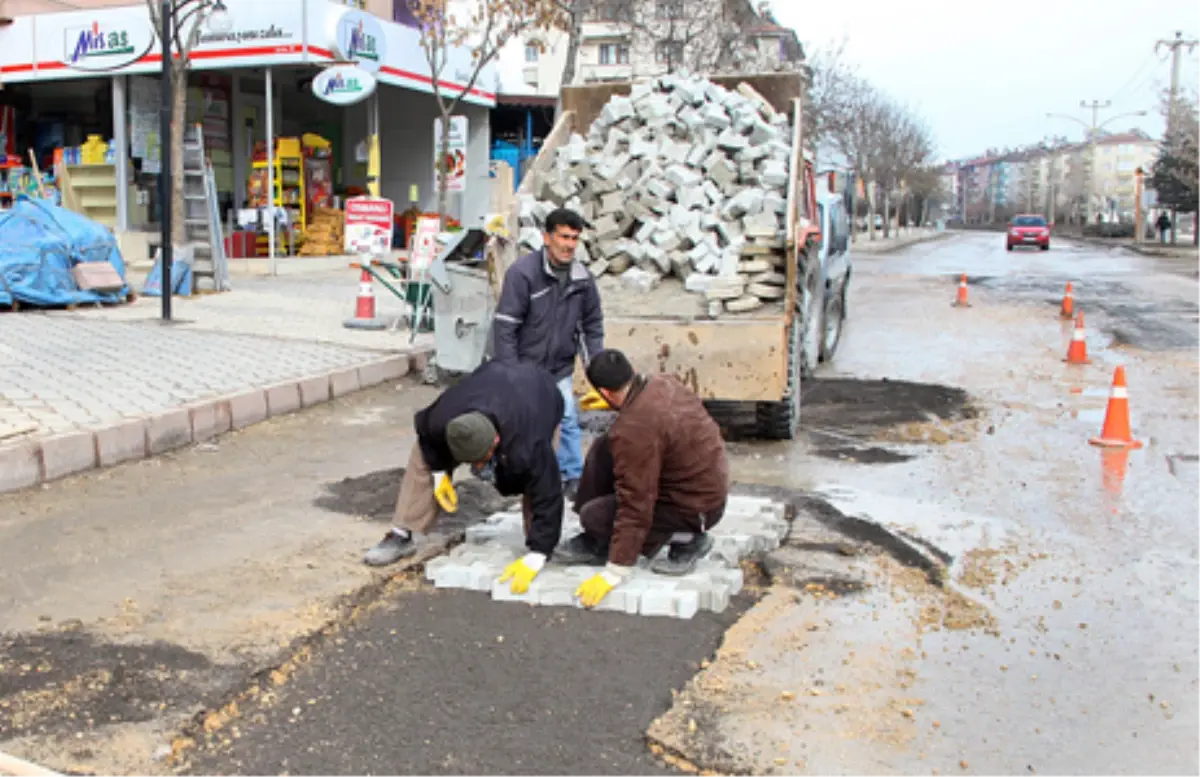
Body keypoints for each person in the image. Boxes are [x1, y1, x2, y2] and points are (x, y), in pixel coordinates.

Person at [363, 360, 566, 595]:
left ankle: (537, 544)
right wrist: (439, 473)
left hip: (540, 395)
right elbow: (427, 438)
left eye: (481, 460)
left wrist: (539, 553)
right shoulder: (442, 417)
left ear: (496, 441)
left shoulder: (531, 442)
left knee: (533, 478)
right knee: (421, 458)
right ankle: (401, 534)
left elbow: (549, 493)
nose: (477, 467)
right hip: (492, 383)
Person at [556, 349, 731, 609]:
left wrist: (616, 569)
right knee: (605, 446)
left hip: (696, 508)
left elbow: (637, 502)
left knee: (595, 516)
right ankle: (597, 537)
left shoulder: (636, 429)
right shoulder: (662, 383)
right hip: (701, 487)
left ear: (605, 392)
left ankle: (687, 538)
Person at [493, 207, 604, 500]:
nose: (569, 245)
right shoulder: (523, 274)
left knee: (567, 417)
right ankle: (511, 473)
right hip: (525, 367)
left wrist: (597, 372)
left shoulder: (582, 280)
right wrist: (509, 372)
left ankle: (572, 476)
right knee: (521, 422)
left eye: (575, 238)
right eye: (564, 237)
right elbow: (506, 326)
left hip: (559, 367)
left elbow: (591, 327)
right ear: (546, 237)